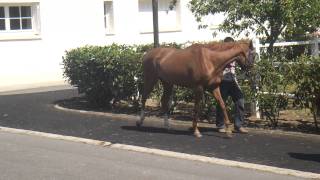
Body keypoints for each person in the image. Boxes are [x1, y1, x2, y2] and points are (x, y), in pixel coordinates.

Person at [215, 37, 248, 133]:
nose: (231, 47)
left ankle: (238, 125)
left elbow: (243, 63)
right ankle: (220, 125)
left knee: (240, 100)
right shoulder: (220, 55)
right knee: (221, 103)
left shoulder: (235, 55)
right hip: (222, 81)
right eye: (229, 45)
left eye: (232, 45)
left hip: (233, 81)